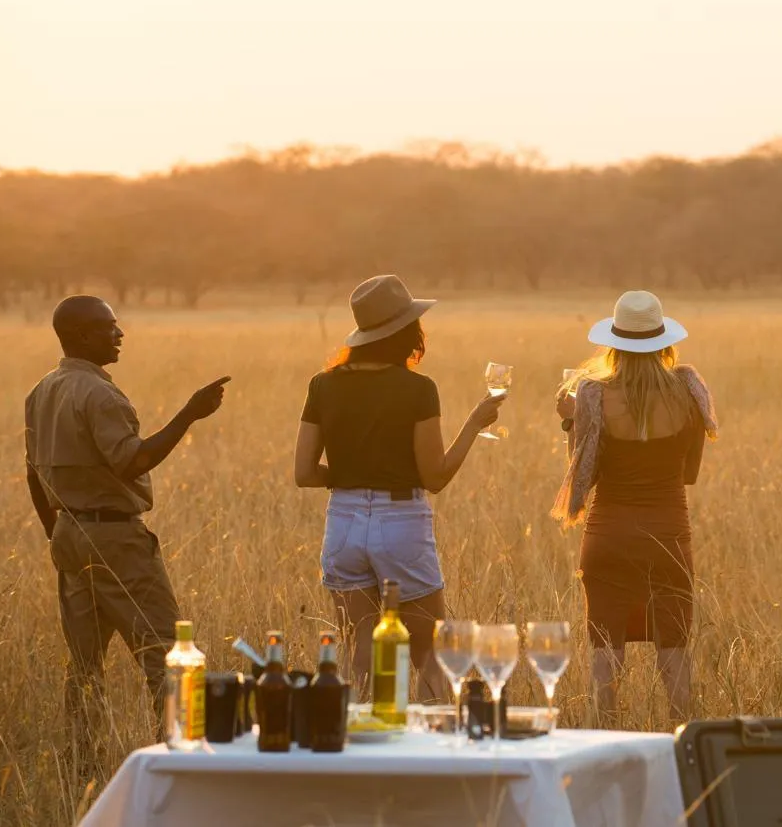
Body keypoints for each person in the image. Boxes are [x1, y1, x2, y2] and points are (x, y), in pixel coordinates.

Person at [25, 295, 230, 751]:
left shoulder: (42, 390)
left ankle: (82, 763)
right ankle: (178, 759)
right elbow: (132, 461)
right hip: (116, 538)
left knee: (83, 664)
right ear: (81, 335)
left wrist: (58, 531)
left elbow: (32, 471)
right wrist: (190, 413)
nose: (119, 335)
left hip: (71, 535)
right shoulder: (99, 393)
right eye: (108, 327)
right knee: (167, 655)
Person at [293, 274, 504, 699]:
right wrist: (474, 424)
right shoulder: (418, 389)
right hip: (401, 524)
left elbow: (304, 473)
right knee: (428, 655)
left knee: (362, 658)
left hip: (344, 523)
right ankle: (430, 753)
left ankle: (363, 750)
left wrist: (354, 474)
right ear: (408, 331)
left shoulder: (323, 384)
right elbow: (436, 477)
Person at [551, 290, 716, 724]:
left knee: (605, 657)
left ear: (614, 344)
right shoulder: (690, 392)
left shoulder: (592, 394)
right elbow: (689, 474)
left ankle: (603, 743)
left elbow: (582, 471)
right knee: (675, 655)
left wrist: (571, 422)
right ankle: (683, 750)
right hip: (668, 536)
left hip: (608, 536)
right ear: (664, 342)